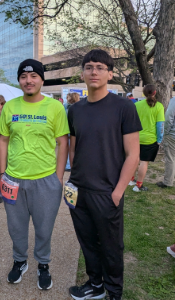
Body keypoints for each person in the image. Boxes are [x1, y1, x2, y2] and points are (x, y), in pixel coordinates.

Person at [68, 49, 142, 300]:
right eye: (89, 67)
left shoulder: (124, 107)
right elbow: (73, 147)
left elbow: (133, 154)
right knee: (87, 242)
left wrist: (118, 191)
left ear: (110, 73)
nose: (94, 71)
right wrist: (73, 180)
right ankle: (95, 284)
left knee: (111, 246)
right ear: (83, 73)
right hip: (79, 190)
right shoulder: (75, 110)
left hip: (107, 191)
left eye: (100, 67)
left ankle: (113, 292)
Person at [0, 59, 69, 290]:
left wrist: (58, 178)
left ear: (41, 79)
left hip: (45, 180)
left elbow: (62, 142)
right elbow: (3, 141)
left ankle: (43, 264)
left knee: (44, 227)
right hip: (14, 179)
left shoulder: (55, 107)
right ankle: (20, 261)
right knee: (16, 226)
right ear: (19, 80)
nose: (28, 81)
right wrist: (2, 174)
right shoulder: (10, 107)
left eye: (33, 76)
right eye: (23, 77)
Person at [130, 84, 165, 192]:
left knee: (134, 160)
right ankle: (138, 185)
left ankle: (131, 180)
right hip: (150, 139)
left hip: (135, 137)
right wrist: (159, 139)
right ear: (155, 93)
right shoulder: (159, 106)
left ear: (144, 93)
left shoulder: (137, 105)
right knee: (144, 162)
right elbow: (160, 126)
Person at [157, 96, 175, 188]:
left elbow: (168, 118)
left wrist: (165, 132)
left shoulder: (174, 101)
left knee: (170, 159)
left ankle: (168, 182)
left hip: (172, 135)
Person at [64, 93, 80, 171]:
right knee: (72, 148)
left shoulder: (67, 107)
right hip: (72, 130)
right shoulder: (73, 107)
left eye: (68, 97)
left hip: (68, 129)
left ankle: (68, 165)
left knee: (70, 147)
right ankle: (69, 165)